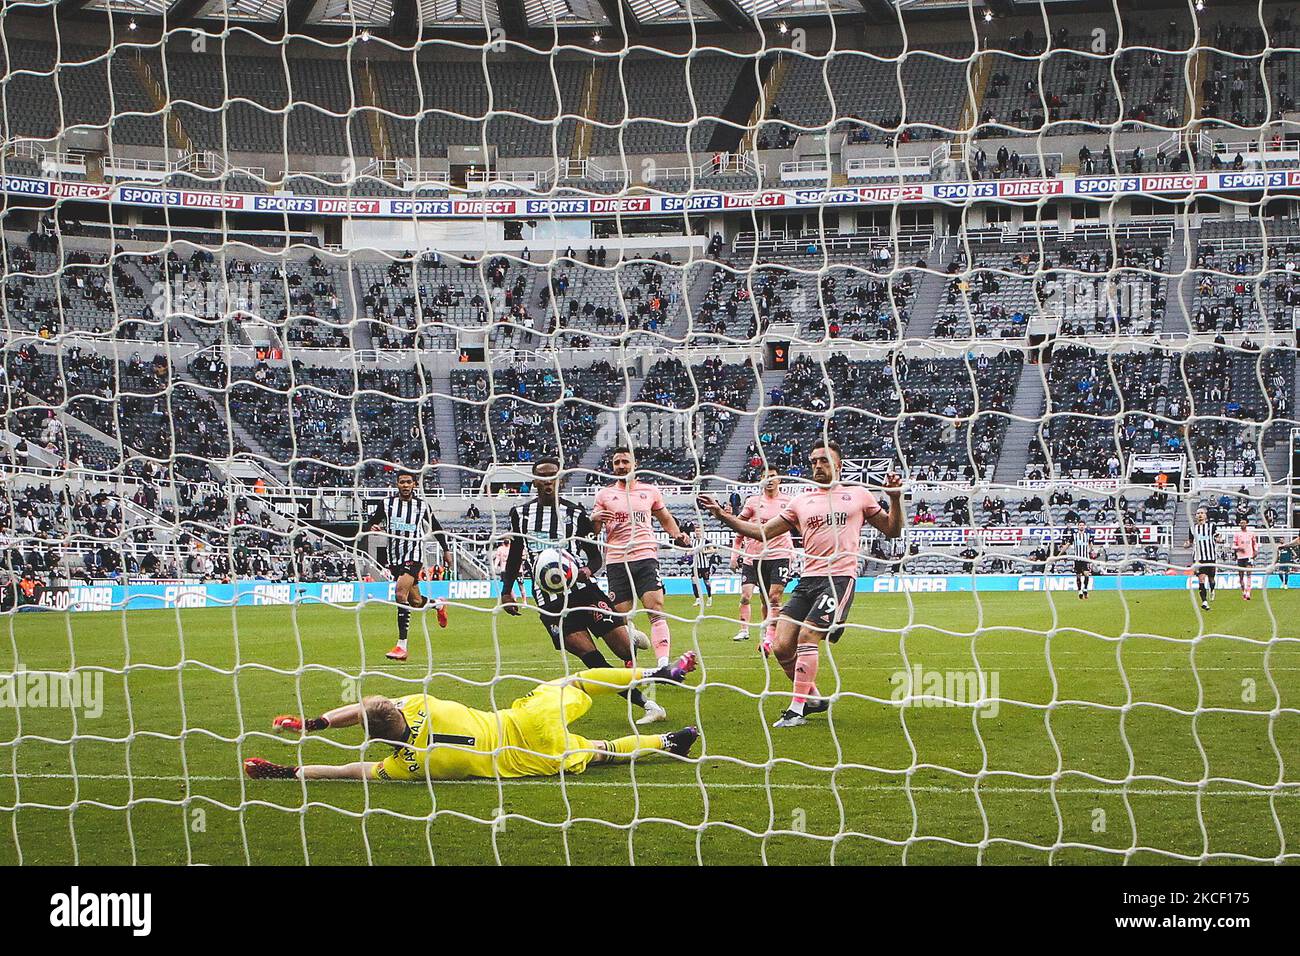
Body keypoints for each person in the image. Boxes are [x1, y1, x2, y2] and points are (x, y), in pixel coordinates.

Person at [699, 441, 905, 728]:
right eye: (813, 462)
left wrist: (894, 498)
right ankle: (815, 699)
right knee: (782, 648)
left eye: (824, 460)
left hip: (839, 578)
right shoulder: (801, 501)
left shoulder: (858, 495)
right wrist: (722, 516)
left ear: (839, 465)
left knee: (807, 637)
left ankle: (796, 709)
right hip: (807, 580)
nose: (817, 466)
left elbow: (892, 530)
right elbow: (761, 533)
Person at [243, 653, 700, 782]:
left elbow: (349, 768)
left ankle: (668, 744)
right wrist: (313, 723)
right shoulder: (420, 702)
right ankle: (658, 672)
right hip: (524, 720)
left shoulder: (408, 765)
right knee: (577, 682)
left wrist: (289, 770)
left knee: (602, 753)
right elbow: (364, 709)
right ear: (397, 707)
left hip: (525, 761)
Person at [498, 457, 665, 725]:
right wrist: (506, 591)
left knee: (624, 652)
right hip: (550, 602)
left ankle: (629, 634)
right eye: (542, 477)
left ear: (560, 481)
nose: (548, 482)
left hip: (583, 591)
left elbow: (595, 556)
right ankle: (648, 705)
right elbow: (516, 554)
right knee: (594, 662)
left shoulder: (575, 513)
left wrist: (589, 569)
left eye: (553, 477)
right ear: (535, 482)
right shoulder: (520, 514)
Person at [591, 447, 692, 669]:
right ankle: (631, 659)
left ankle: (663, 664)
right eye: (616, 462)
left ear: (634, 464)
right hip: (617, 559)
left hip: (646, 556)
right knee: (620, 617)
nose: (620, 466)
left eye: (625, 461)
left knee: (655, 608)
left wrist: (676, 535)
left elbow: (665, 518)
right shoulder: (604, 495)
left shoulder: (650, 491)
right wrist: (595, 518)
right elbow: (594, 530)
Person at [363, 470, 451, 661]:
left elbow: (436, 527)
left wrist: (446, 549)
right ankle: (438, 604)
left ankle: (401, 646)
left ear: (414, 485)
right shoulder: (387, 504)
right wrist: (372, 527)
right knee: (415, 601)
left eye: (408, 482)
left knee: (400, 594)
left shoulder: (421, 506)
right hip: (394, 557)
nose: (405, 485)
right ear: (397, 484)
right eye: (401, 482)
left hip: (414, 555)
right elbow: (369, 522)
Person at [730, 465, 794, 651]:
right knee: (760, 598)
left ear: (779, 479)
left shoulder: (789, 502)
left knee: (774, 597)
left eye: (773, 476)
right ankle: (754, 630)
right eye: (765, 476)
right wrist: (736, 554)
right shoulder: (753, 502)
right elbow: (739, 526)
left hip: (781, 554)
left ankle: (769, 638)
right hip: (756, 557)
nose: (769, 480)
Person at [1185, 507, 1220, 611]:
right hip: (1198, 559)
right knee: (1201, 579)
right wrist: (1186, 544)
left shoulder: (1211, 526)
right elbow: (1190, 542)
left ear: (1205, 515)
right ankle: (1204, 602)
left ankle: (1212, 589)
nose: (1200, 515)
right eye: (1198, 513)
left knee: (1211, 579)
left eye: (1202, 513)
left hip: (1211, 557)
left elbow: (1217, 536)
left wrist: (1219, 539)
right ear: (1196, 516)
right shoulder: (1192, 528)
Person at [1232, 517, 1259, 601]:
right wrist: (1239, 548)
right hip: (1240, 557)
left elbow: (1255, 544)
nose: (1242, 524)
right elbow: (1233, 546)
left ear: (1247, 523)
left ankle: (1248, 592)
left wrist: (1255, 551)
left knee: (1249, 574)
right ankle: (1243, 591)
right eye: (1241, 523)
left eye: (1244, 523)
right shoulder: (1237, 534)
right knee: (1241, 576)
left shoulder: (1251, 533)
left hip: (1249, 556)